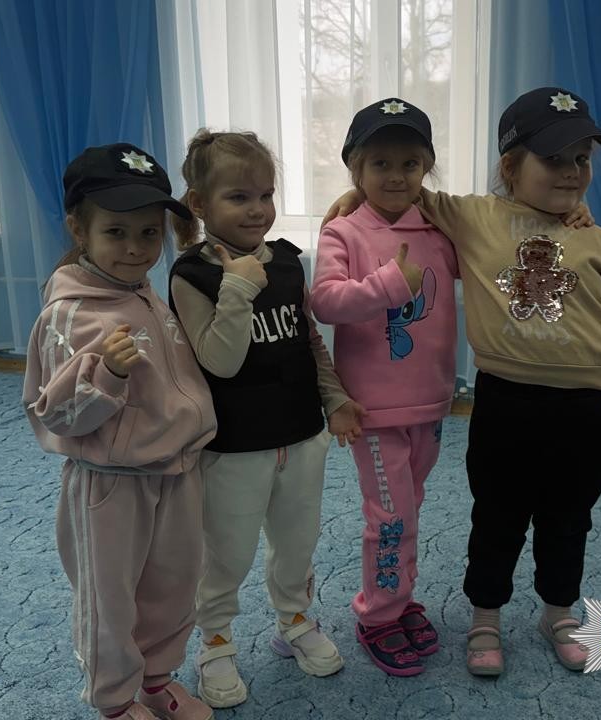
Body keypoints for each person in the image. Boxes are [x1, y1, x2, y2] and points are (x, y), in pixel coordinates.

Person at [325, 87, 601, 677]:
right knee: (497, 515)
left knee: (569, 517)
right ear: (510, 167)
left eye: (581, 160)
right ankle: (483, 617)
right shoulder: (473, 218)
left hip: (588, 408)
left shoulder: (596, 238)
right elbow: (401, 189)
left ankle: (559, 612)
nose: (571, 171)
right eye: (553, 159)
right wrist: (356, 195)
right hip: (507, 400)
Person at [167, 129, 364, 708]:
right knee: (226, 553)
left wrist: (335, 398)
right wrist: (236, 287)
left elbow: (308, 341)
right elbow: (220, 361)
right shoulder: (190, 275)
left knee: (298, 541)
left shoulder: (287, 263)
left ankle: (294, 620)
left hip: (301, 435)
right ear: (200, 204)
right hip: (233, 446)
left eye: (265, 195)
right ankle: (216, 640)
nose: (257, 209)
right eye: (238, 197)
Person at [23, 143, 217, 719]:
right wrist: (105, 373)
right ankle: (113, 701)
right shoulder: (68, 313)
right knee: (110, 597)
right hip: (109, 485)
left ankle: (156, 681)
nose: (135, 248)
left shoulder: (143, 291)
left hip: (176, 472)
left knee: (173, 585)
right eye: (116, 232)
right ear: (79, 230)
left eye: (149, 233)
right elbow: (55, 415)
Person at [310, 98, 458, 677]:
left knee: (408, 509)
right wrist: (391, 284)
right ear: (356, 168)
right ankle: (377, 616)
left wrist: (571, 215)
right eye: (380, 164)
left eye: (410, 164)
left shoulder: (441, 231)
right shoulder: (343, 231)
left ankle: (398, 598)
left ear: (426, 168)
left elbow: (498, 239)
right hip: (373, 409)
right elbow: (326, 301)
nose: (396, 176)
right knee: (391, 516)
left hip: (431, 402)